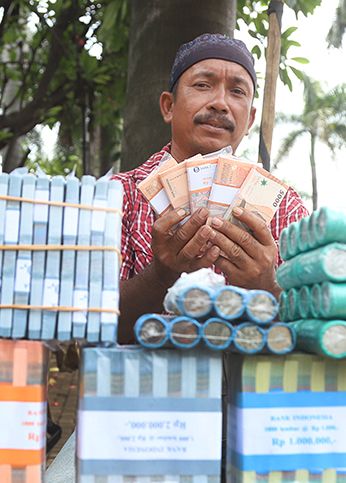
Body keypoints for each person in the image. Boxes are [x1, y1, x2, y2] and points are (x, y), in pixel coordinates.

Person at [114, 33, 309, 342]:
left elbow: (315, 331)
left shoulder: (284, 208)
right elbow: (91, 326)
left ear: (250, 120)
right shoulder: (119, 197)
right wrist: (161, 274)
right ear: (168, 106)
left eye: (237, 91)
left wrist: (265, 287)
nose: (220, 103)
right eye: (203, 85)